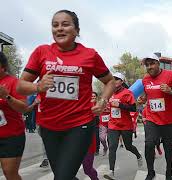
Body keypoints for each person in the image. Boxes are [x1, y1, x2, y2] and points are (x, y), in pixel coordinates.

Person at [16, 10, 115, 180]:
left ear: (77, 30)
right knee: (63, 175)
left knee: (62, 177)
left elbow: (110, 81)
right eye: (55, 25)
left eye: (65, 24)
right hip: (49, 126)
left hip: (80, 124)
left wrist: (103, 100)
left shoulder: (89, 55)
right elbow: (20, 86)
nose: (59, 29)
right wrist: (38, 86)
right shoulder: (41, 52)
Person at [142, 52, 172, 180]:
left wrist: (171, 91)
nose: (149, 67)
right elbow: (147, 95)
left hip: (169, 120)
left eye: (152, 64)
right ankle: (151, 172)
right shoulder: (145, 79)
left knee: (168, 148)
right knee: (149, 144)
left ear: (158, 63)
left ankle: (169, 172)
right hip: (152, 118)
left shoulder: (170, 75)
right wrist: (142, 99)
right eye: (147, 65)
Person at [104, 72, 143, 180]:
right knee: (112, 147)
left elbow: (134, 108)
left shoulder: (127, 93)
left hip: (125, 125)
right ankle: (111, 171)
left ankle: (138, 156)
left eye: (117, 79)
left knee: (128, 146)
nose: (114, 81)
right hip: (113, 125)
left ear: (121, 81)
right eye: (113, 79)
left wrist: (120, 105)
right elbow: (107, 105)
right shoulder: (110, 93)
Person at [0, 52, 29, 180]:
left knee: (9, 173)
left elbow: (24, 108)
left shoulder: (14, 82)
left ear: (3, 66)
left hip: (11, 136)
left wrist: (6, 96)